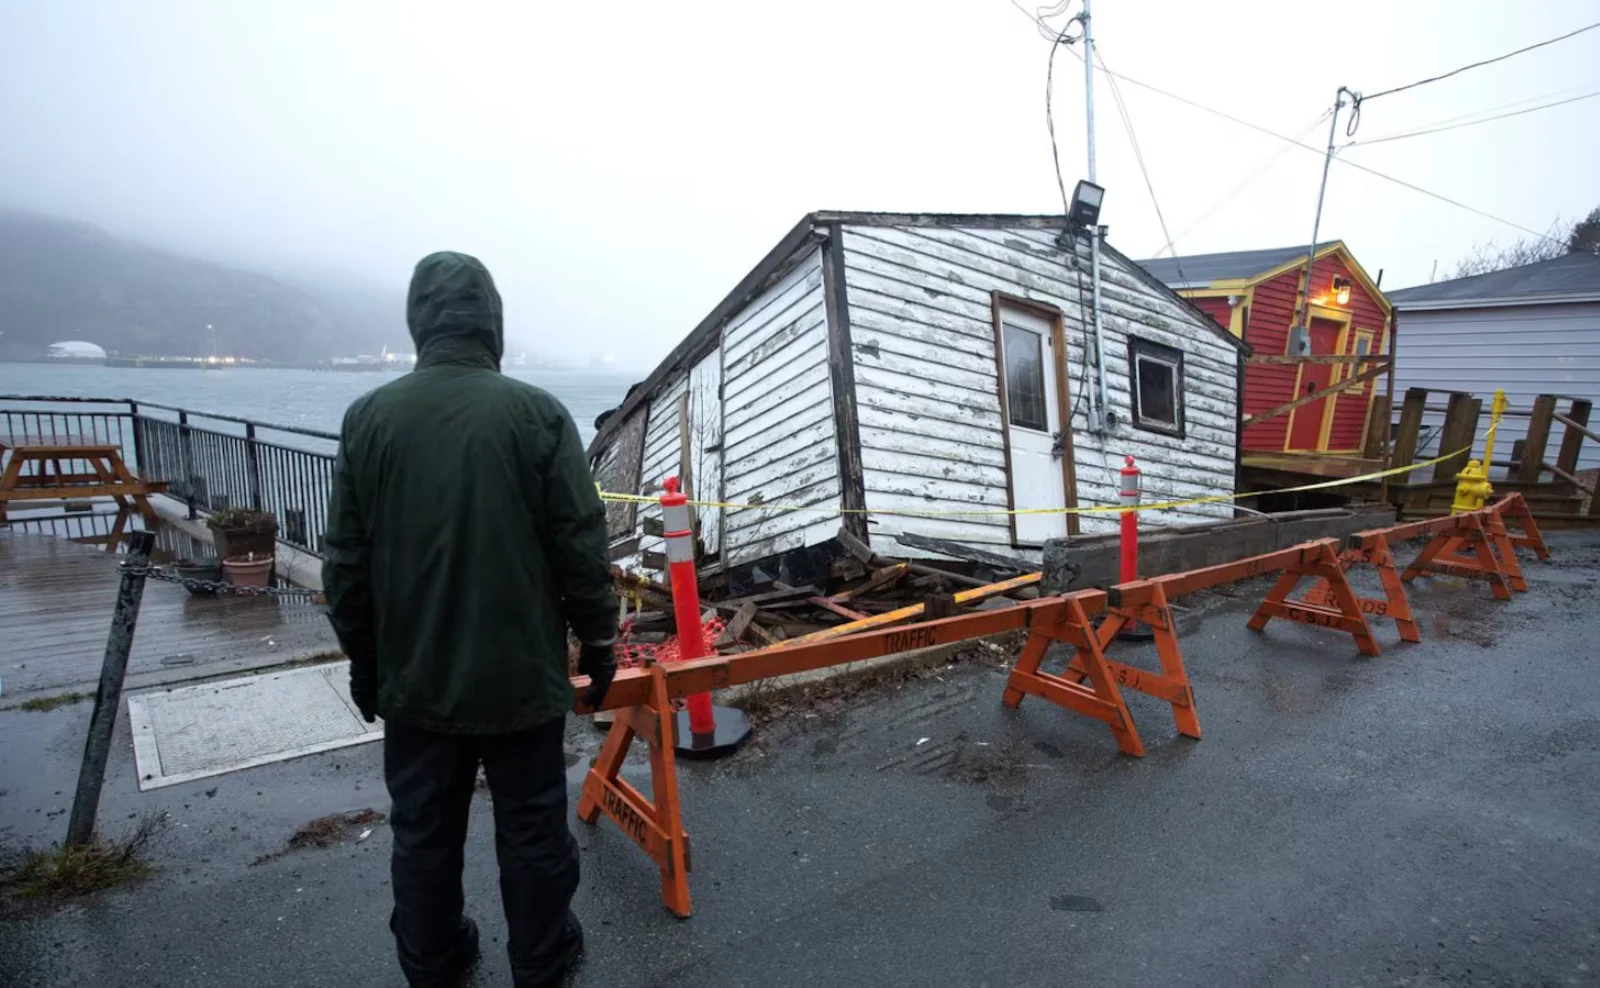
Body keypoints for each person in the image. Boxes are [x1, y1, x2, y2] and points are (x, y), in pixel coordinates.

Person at [322, 251, 618, 988]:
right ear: (494, 323)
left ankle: (433, 958)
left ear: (420, 323)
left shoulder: (369, 419)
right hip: (520, 674)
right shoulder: (539, 414)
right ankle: (543, 961)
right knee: (532, 827)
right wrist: (601, 638)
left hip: (416, 676)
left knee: (422, 831)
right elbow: (579, 542)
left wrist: (365, 662)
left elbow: (346, 565)